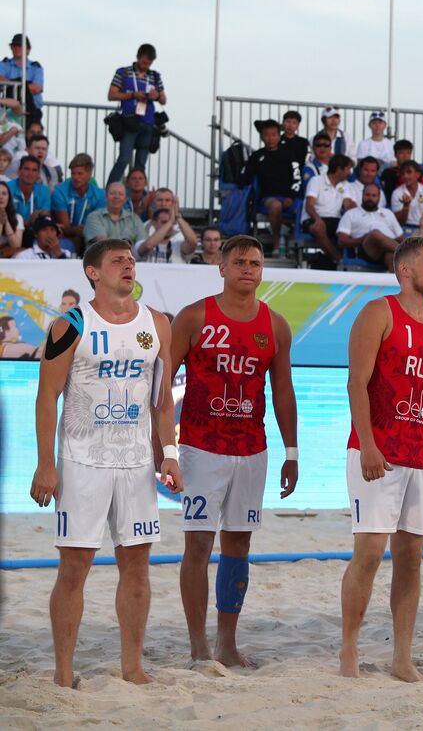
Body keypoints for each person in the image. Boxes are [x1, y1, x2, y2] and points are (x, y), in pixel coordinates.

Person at [30, 238, 182, 686]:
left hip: (135, 463)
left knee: (137, 565)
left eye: (132, 260)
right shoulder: (70, 324)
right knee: (74, 567)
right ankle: (63, 672)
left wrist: (168, 455)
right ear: (93, 272)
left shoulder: (156, 323)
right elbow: (46, 397)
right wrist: (45, 464)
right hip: (81, 461)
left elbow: (163, 399)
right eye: (118, 260)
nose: (128, 266)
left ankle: (132, 666)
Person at [170, 235, 298, 666]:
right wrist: (164, 447)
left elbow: (283, 391)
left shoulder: (276, 324)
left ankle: (227, 642)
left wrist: (292, 452)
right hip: (202, 446)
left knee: (238, 546)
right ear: (220, 267)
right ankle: (197, 645)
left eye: (255, 263)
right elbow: (160, 385)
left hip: (252, 446)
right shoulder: (194, 316)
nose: (248, 269)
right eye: (240, 262)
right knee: (199, 545)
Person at [339, 237, 423, 682]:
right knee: (369, 552)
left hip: (422, 455)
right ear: (405, 270)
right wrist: (367, 443)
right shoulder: (379, 312)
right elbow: (357, 383)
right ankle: (348, 650)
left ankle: (401, 657)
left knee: (410, 557)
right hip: (379, 451)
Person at [106, 44, 167, 185]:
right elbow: (111, 95)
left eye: (150, 63)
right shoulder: (123, 72)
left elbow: (164, 99)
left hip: (148, 122)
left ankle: (137, 194)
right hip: (130, 121)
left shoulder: (155, 76)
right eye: (144, 62)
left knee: (141, 163)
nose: (146, 66)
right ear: (138, 57)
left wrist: (156, 96)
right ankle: (110, 189)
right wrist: (133, 95)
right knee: (124, 159)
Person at [241, 119, 302, 255]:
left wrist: (291, 196)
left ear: (279, 136)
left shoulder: (289, 155)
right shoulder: (257, 156)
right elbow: (245, 178)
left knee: (304, 208)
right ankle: (277, 242)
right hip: (268, 198)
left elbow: (297, 177)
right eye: (266, 135)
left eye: (273, 135)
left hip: (290, 198)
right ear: (262, 136)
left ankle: (295, 245)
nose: (270, 138)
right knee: (276, 206)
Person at [302, 154, 357, 264]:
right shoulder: (316, 181)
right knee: (318, 227)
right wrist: (317, 219)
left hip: (334, 220)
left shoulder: (345, 185)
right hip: (313, 218)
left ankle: (346, 260)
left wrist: (352, 203)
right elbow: (309, 206)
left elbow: (348, 207)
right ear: (339, 169)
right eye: (347, 169)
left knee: (352, 229)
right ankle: (340, 261)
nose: (350, 172)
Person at [338, 183, 404, 267]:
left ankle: (395, 278)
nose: (370, 198)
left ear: (379, 198)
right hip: (368, 248)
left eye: (374, 195)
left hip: (389, 248)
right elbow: (341, 241)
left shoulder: (388, 213)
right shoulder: (351, 214)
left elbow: (401, 237)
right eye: (367, 195)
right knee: (375, 233)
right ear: (362, 196)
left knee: (390, 256)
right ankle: (409, 254)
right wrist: (362, 239)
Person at [52, 152, 108, 246]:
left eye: (80, 174)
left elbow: (98, 224)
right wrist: (75, 230)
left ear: (90, 173)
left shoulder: (100, 194)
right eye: (73, 173)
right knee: (76, 240)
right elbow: (65, 227)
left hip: (91, 235)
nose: (75, 177)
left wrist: (84, 230)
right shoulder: (60, 191)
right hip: (65, 235)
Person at [136, 189, 198, 264]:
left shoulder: (183, 228)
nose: (163, 204)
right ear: (152, 202)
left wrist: (177, 215)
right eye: (159, 200)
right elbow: (147, 246)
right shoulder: (143, 227)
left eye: (167, 200)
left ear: (173, 203)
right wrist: (171, 221)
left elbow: (193, 242)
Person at [1, 33, 44, 127]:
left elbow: (36, 88)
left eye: (20, 46)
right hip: (9, 110)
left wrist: (12, 85)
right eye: (14, 46)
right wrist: (25, 85)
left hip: (32, 111)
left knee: (32, 139)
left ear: (28, 50)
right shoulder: (4, 64)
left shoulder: (36, 67)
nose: (17, 48)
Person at [83, 182, 143, 247]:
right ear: (105, 196)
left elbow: (141, 246)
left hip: (127, 256)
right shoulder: (94, 217)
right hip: (103, 257)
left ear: (125, 199)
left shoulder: (135, 219)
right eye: (112, 193)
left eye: (121, 194)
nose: (116, 197)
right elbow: (104, 243)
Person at [10, 154, 52, 226]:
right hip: (10, 232)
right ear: (19, 172)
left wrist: (43, 214)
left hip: (34, 233)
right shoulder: (7, 188)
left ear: (38, 175)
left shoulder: (44, 191)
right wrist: (27, 223)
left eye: (34, 170)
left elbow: (45, 215)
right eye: (26, 169)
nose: (30, 173)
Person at [390, 160, 423, 229]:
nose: (405, 176)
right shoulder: (397, 193)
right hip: (404, 228)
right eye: (403, 173)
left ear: (417, 174)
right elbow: (399, 221)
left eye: (409, 172)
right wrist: (406, 207)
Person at [0, 181, 21, 257]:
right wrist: (1, 223)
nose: (1, 197)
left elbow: (16, 246)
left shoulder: (18, 217)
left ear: (9, 198)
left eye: (4, 194)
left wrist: (6, 222)